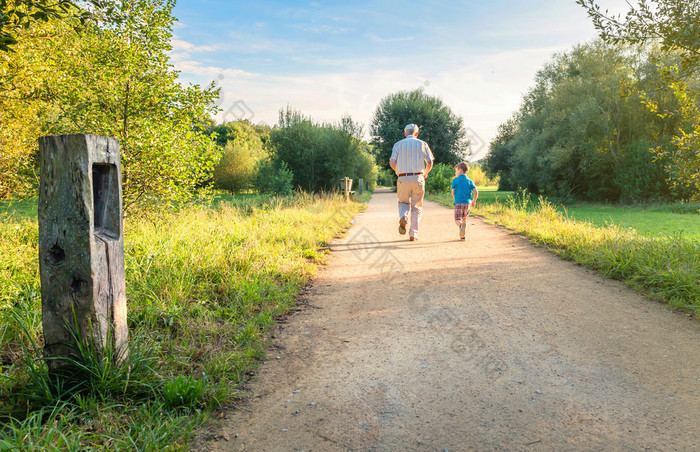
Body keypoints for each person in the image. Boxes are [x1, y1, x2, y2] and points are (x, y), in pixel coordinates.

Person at [389, 124, 434, 241]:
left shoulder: (398, 144)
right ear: (416, 133)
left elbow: (392, 162)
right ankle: (413, 233)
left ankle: (403, 216)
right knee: (417, 206)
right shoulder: (422, 144)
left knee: (403, 202)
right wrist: (425, 173)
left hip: (403, 177)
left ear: (405, 133)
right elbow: (429, 162)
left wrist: (398, 171)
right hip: (418, 177)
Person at [451, 162, 478, 240]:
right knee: (464, 219)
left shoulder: (455, 180)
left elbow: (453, 192)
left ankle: (460, 226)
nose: (455, 173)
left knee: (457, 220)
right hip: (467, 203)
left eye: (456, 171)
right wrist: (474, 201)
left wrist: (454, 199)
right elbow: (476, 191)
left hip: (458, 202)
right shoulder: (469, 181)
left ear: (460, 170)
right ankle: (462, 236)